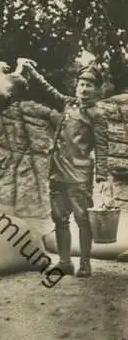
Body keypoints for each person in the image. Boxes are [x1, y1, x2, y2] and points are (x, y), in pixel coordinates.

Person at [24, 62, 110, 278]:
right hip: (57, 172)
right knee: (59, 217)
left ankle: (85, 263)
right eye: (82, 84)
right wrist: (32, 72)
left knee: (82, 219)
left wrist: (101, 173)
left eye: (90, 85)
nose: (85, 89)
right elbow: (48, 90)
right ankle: (64, 262)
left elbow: (102, 145)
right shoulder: (68, 104)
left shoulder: (97, 115)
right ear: (76, 87)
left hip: (80, 175)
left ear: (98, 91)